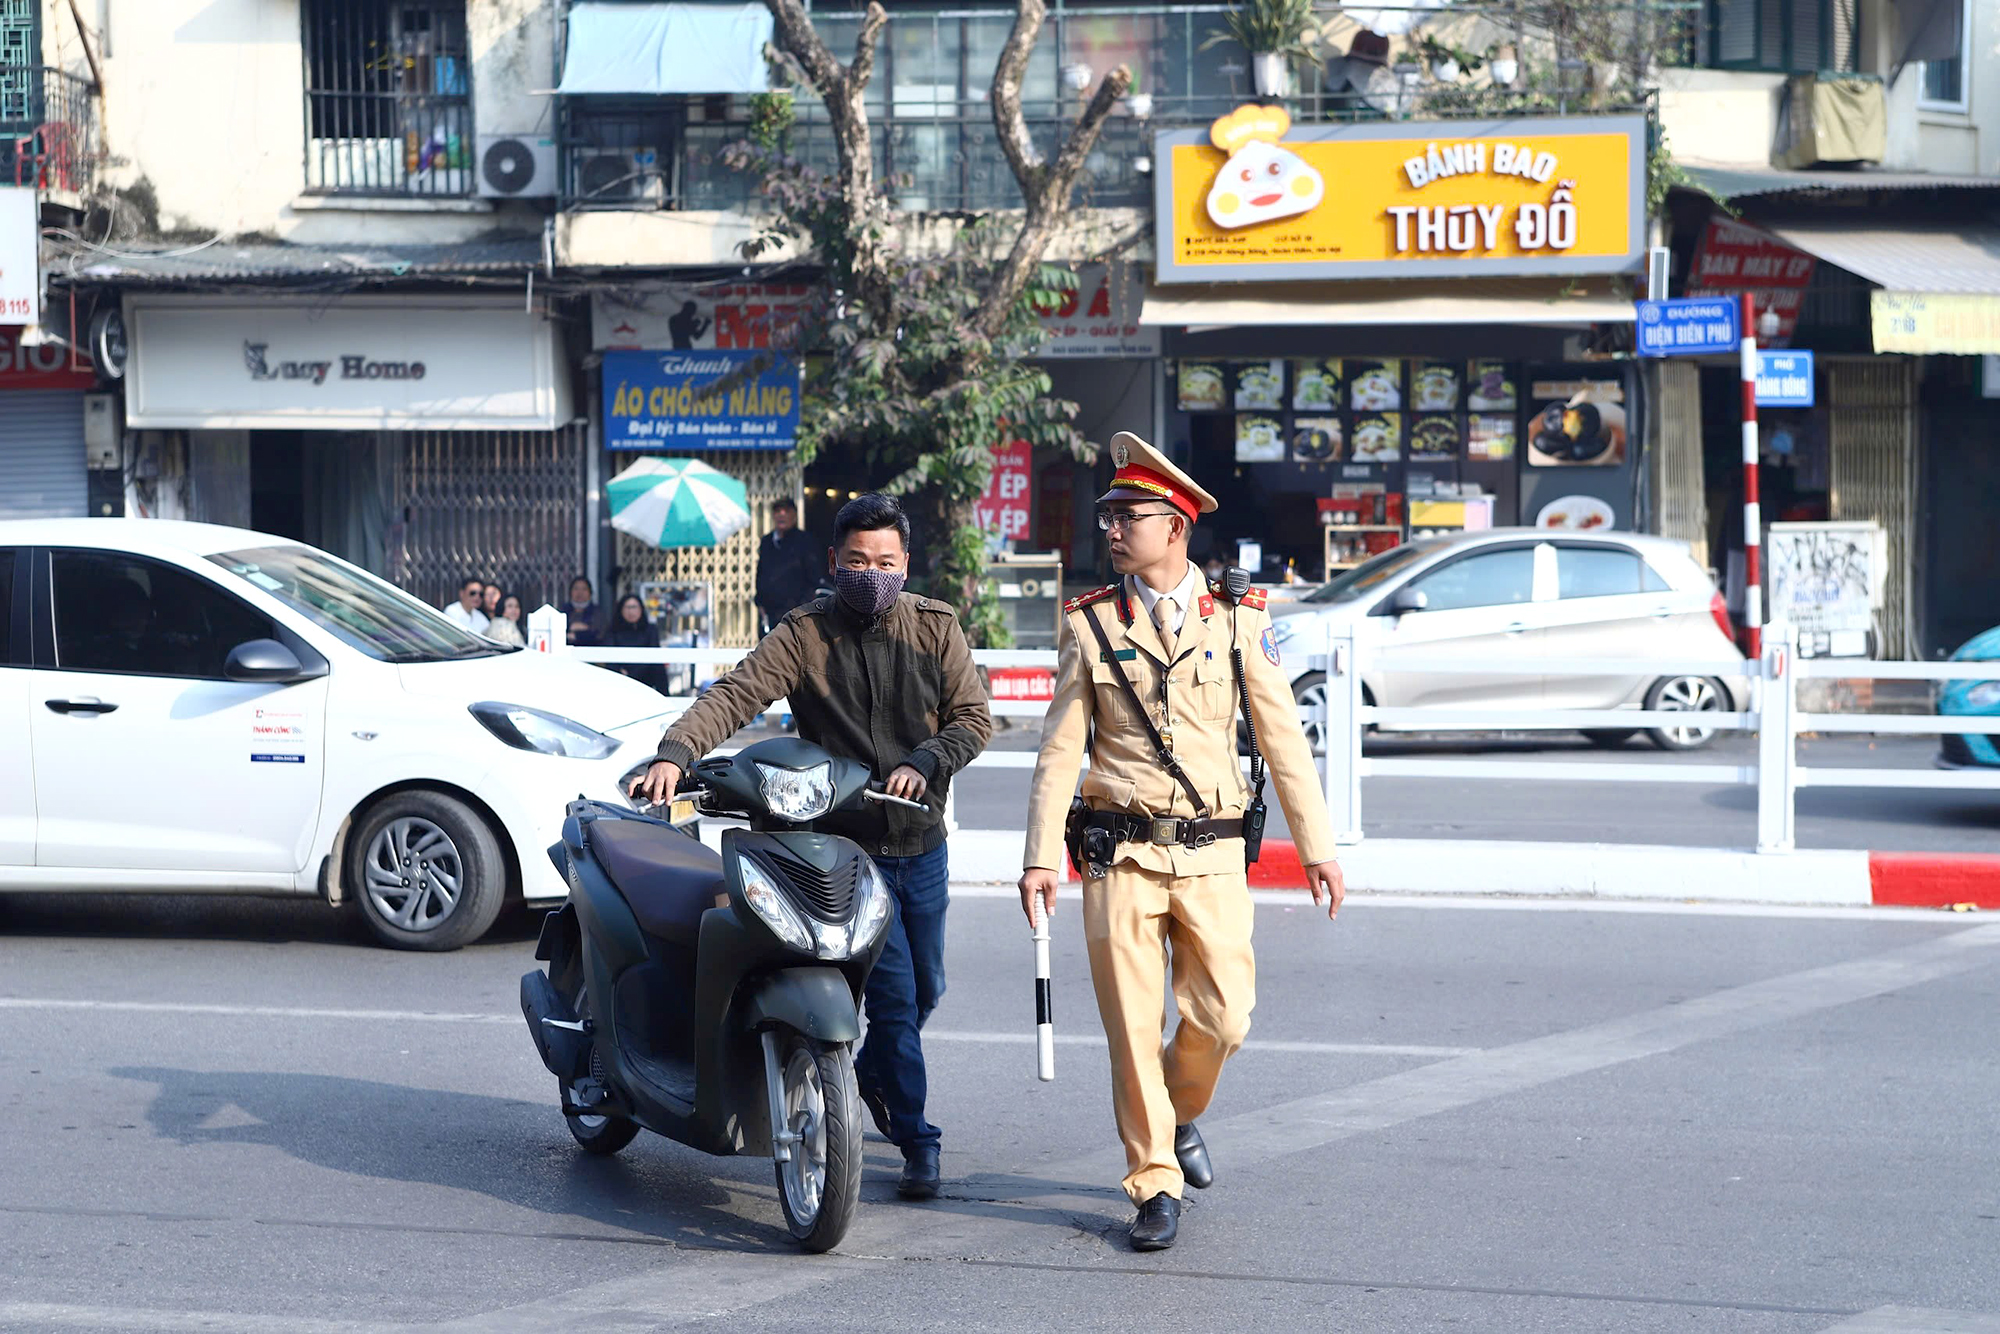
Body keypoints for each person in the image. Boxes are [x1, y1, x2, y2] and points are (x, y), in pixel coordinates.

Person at [1017, 432, 1345, 1254]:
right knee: (1131, 1024)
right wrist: (1034, 857)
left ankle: (1180, 1109)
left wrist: (1318, 847)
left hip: (1211, 854)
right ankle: (1153, 1179)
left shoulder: (1237, 619)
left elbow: (1281, 739)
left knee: (1226, 1016)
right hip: (1116, 854)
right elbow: (1061, 747)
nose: (1113, 528)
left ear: (1178, 526)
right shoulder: (1090, 626)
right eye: (1108, 515)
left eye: (1130, 514)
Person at [631, 493, 992, 1201]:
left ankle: (878, 1081)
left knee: (927, 989)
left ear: (905, 564)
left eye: (886, 562)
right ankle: (917, 1139)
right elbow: (735, 695)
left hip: (919, 844)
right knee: (890, 1000)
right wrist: (675, 752)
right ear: (835, 561)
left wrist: (926, 760)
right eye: (857, 560)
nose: (871, 573)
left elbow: (973, 717)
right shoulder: (805, 634)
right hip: (839, 851)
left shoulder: (935, 628)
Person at [755, 497, 821, 635]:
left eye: (786, 510)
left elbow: (813, 578)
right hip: (768, 614)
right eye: (778, 511)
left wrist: (802, 609)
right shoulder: (767, 542)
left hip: (794, 614)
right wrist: (760, 602)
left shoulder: (804, 541)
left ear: (794, 515)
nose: (782, 514)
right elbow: (760, 573)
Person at [605, 593, 670, 693]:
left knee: (658, 668)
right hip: (621, 676)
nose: (631, 611)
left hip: (646, 675)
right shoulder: (613, 630)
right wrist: (620, 671)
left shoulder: (650, 629)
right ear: (621, 609)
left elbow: (654, 656)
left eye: (634, 607)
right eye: (627, 607)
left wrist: (633, 674)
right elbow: (610, 657)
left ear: (641, 609)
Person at [564, 576, 604, 648]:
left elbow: (599, 634)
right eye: (576, 589)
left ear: (590, 592)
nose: (580, 593)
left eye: (584, 589)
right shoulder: (563, 611)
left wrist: (576, 636)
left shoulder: (597, 612)